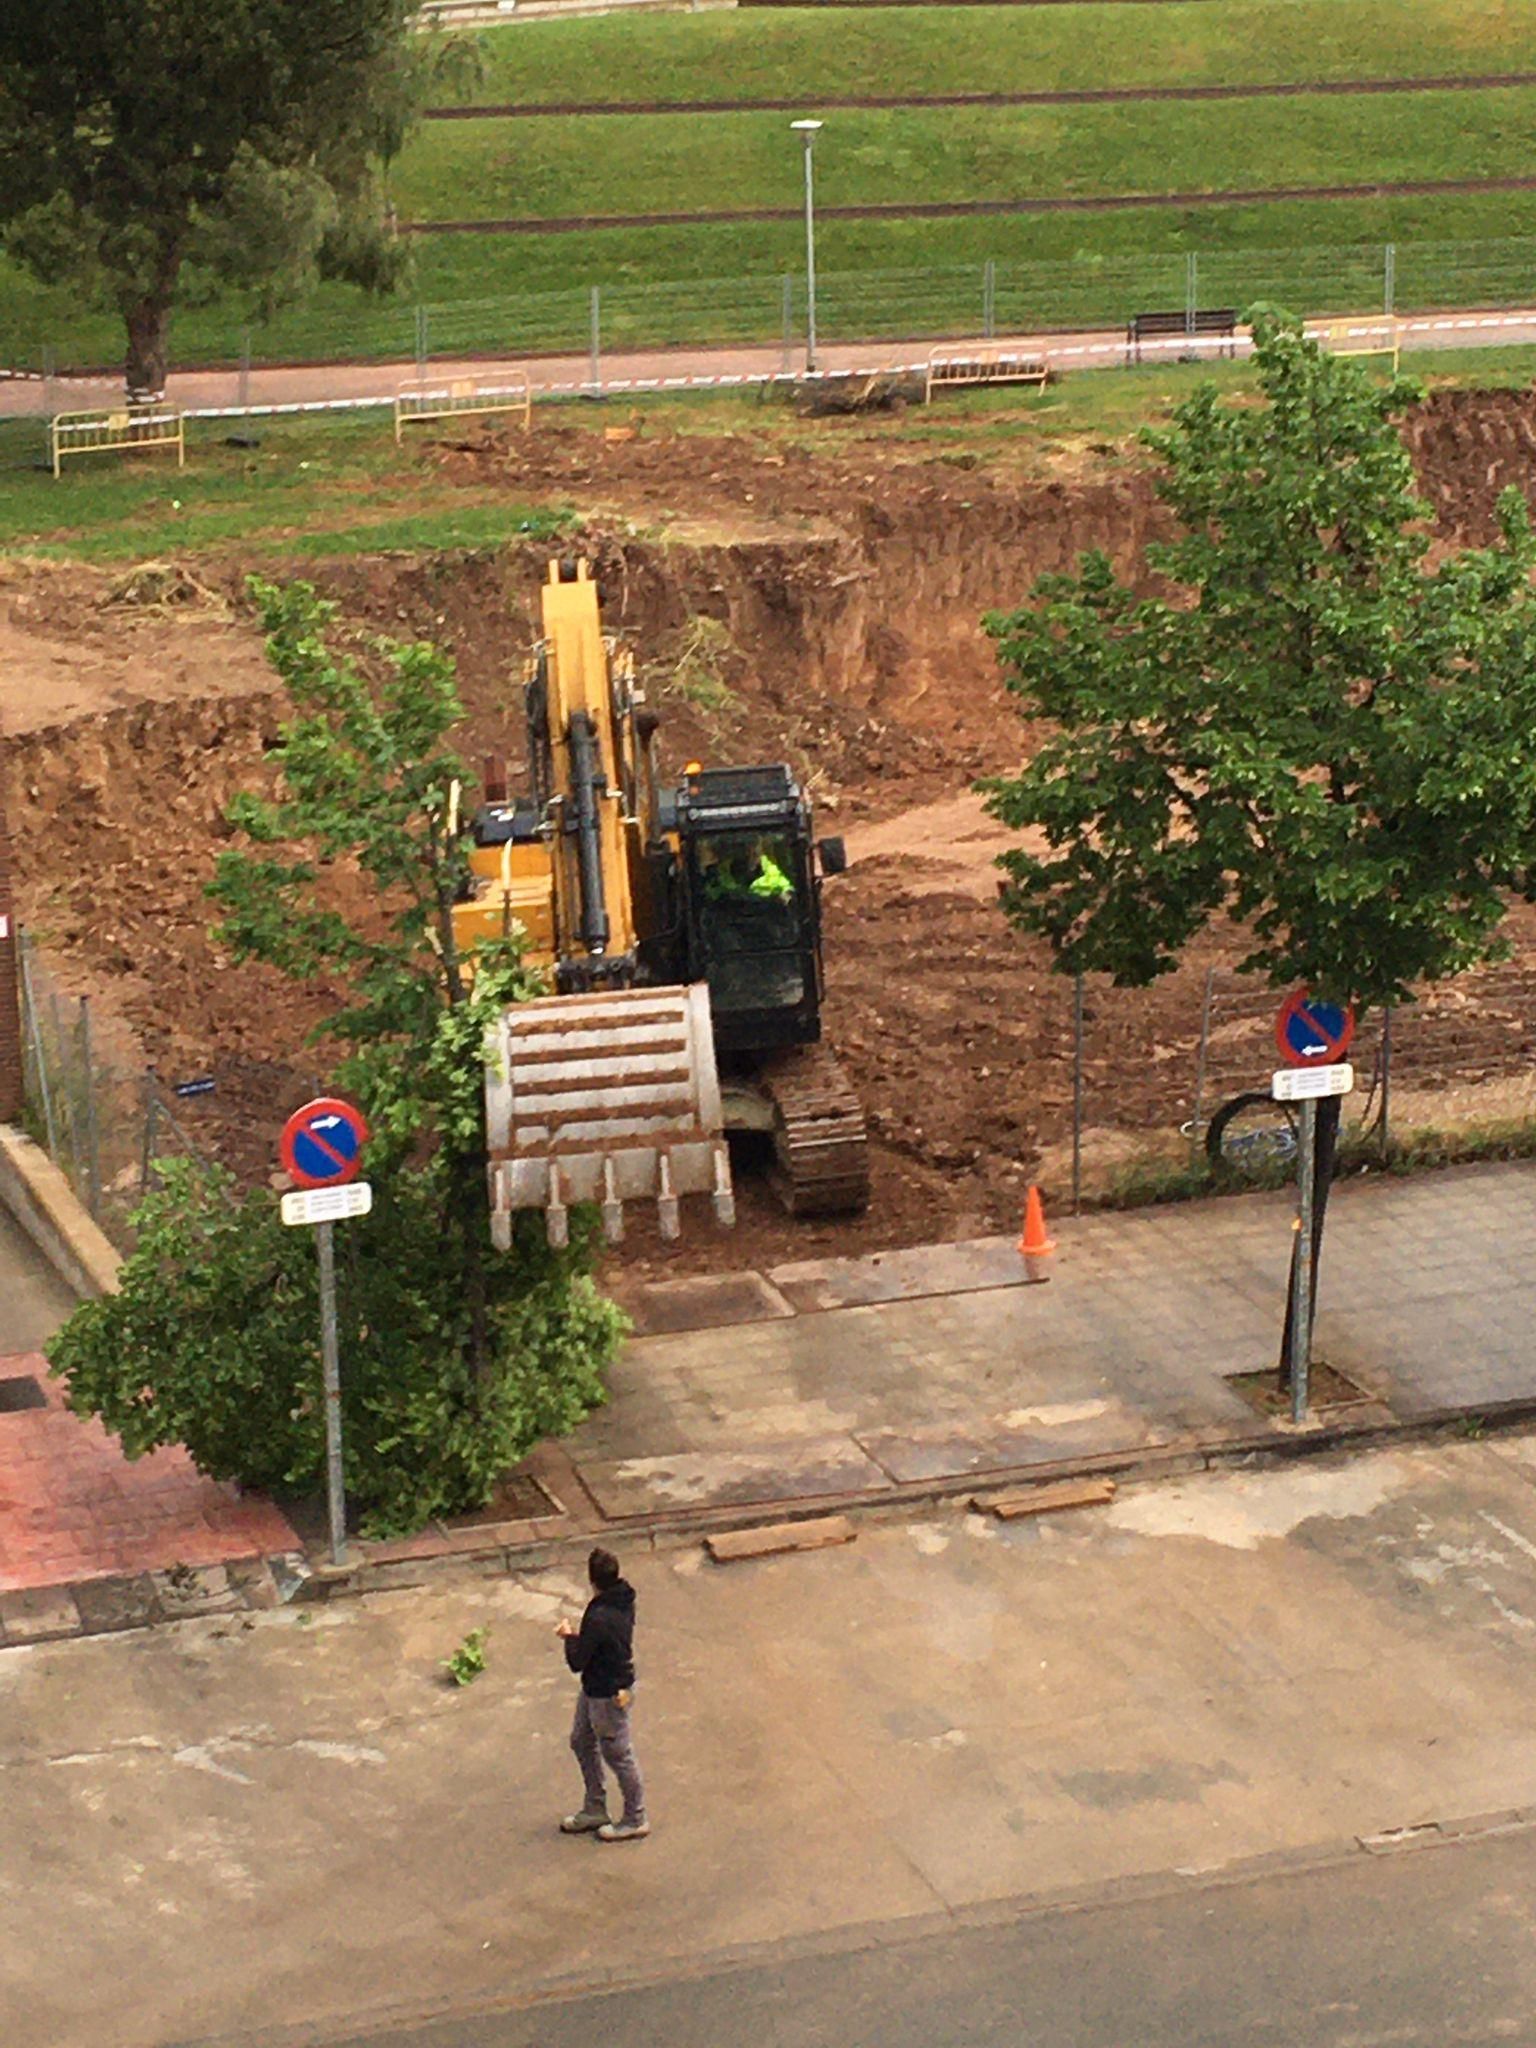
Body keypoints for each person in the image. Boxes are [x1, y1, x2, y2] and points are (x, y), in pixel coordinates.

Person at [556, 1546, 649, 1842]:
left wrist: (568, 1636)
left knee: (618, 1754)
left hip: (607, 1694)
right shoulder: (623, 1599)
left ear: (592, 1579)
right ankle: (595, 1807)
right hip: (598, 1687)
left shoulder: (598, 1616)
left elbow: (577, 1661)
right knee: (581, 1740)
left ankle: (635, 1818)